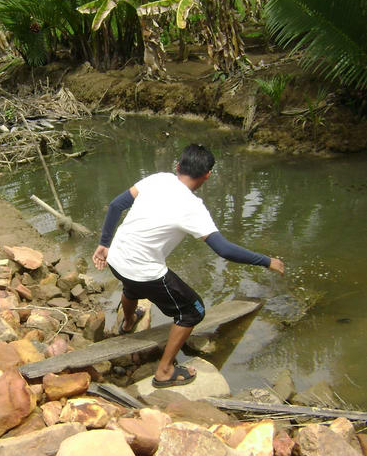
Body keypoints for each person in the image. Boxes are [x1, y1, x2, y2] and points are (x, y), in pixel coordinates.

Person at [92, 143, 285, 388]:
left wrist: (104, 243)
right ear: (207, 175)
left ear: (177, 166)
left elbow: (116, 205)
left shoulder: (158, 179)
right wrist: (268, 261)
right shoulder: (193, 208)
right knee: (193, 311)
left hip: (116, 258)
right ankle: (164, 371)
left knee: (131, 287)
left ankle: (128, 323)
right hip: (143, 270)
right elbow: (224, 249)